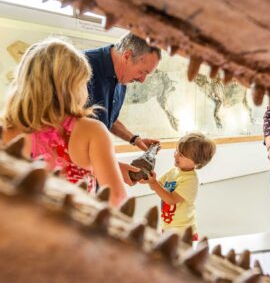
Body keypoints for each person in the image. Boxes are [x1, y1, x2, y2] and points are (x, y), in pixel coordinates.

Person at [1, 38, 127, 208]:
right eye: (84, 81)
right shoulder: (91, 131)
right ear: (72, 85)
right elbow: (116, 198)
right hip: (71, 232)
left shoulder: (5, 129)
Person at [84, 33, 161, 185]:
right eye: (142, 72)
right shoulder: (82, 68)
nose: (142, 80)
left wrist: (134, 139)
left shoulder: (122, 79)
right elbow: (64, 134)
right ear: (126, 56)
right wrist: (114, 168)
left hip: (96, 181)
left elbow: (105, 117)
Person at [146, 132, 216, 240]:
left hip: (184, 234)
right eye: (176, 151)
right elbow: (157, 187)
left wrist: (154, 184)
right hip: (167, 228)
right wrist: (150, 180)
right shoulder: (173, 172)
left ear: (196, 162)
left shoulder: (190, 180)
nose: (175, 155)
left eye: (181, 155)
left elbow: (171, 199)